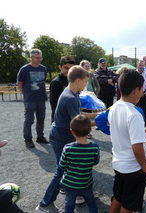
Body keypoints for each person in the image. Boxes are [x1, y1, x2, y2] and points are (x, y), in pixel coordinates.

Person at [35, 66, 90, 213]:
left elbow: (79, 115)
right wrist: (100, 120)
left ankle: (77, 195)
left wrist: (96, 115)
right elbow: (78, 124)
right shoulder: (70, 98)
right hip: (61, 137)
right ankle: (45, 204)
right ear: (77, 80)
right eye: (85, 81)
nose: (86, 84)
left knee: (67, 168)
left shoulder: (72, 92)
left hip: (62, 134)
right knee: (61, 170)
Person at [108, 70, 146, 213]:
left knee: (118, 197)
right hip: (133, 168)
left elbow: (123, 135)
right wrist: (145, 166)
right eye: (142, 89)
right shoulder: (134, 114)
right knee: (129, 206)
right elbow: (136, 147)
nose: (142, 93)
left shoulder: (114, 107)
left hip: (119, 162)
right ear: (135, 91)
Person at [59, 115, 100, 213]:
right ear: (89, 131)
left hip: (69, 183)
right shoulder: (94, 148)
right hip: (86, 181)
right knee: (91, 201)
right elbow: (95, 161)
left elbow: (62, 165)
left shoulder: (67, 148)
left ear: (72, 131)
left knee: (69, 203)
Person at [17, 49, 48, 148]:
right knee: (29, 120)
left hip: (41, 98)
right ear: (31, 58)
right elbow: (20, 83)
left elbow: (43, 81)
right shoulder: (24, 69)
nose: (39, 59)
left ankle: (40, 137)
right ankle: (28, 139)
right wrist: (24, 94)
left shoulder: (43, 68)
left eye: (40, 58)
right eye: (37, 58)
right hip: (30, 99)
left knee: (41, 119)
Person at [50, 56, 76, 123]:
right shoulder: (56, 82)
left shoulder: (73, 81)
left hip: (71, 117)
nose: (69, 71)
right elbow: (55, 105)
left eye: (71, 69)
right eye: (66, 68)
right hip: (60, 120)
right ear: (60, 67)